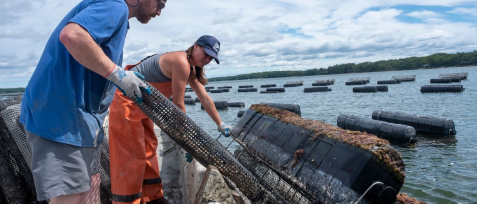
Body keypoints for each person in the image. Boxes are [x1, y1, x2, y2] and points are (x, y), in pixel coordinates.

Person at [19, 0, 168, 203]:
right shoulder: (116, 5)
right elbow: (72, 35)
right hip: (63, 120)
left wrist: (120, 74)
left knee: (90, 187)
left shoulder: (119, 16)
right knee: (72, 196)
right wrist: (117, 74)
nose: (159, 12)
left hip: (82, 121)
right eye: (159, 4)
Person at [108, 35, 232, 204]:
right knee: (131, 156)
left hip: (142, 107)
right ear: (195, 46)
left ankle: (153, 198)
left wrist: (220, 124)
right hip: (127, 104)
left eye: (212, 57)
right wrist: (187, 143)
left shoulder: (190, 68)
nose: (208, 59)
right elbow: (179, 105)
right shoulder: (181, 62)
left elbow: (205, 98)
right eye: (206, 53)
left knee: (149, 148)